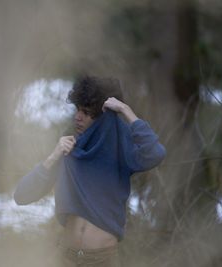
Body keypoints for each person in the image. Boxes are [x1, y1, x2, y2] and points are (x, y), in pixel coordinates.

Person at [14, 75, 165, 267]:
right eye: (77, 109)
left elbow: (156, 153)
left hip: (102, 259)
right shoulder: (70, 148)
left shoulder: (119, 142)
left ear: (103, 116)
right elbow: (22, 195)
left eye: (86, 112)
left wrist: (126, 110)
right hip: (66, 256)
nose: (78, 117)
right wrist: (53, 157)